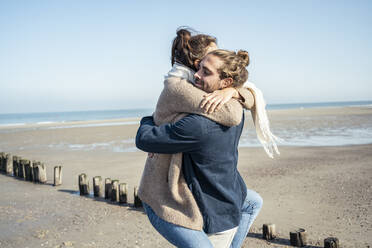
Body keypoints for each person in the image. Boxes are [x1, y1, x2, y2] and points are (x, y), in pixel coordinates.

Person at [137, 43, 278, 247]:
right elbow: (249, 93)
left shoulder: (198, 125)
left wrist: (150, 120)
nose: (196, 74)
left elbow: (145, 139)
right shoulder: (236, 106)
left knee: (249, 204)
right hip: (218, 193)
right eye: (198, 67)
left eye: (206, 72)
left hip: (193, 202)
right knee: (252, 202)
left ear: (226, 82)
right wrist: (236, 93)